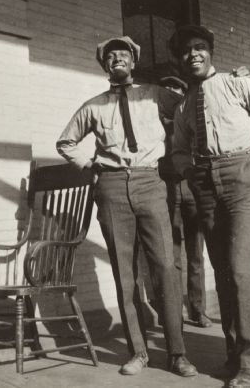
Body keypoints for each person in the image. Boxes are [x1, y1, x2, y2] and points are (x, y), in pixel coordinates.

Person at [56, 36, 197, 377]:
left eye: (124, 54)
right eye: (110, 56)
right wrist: (89, 166)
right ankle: (138, 352)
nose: (117, 59)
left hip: (151, 183)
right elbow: (66, 142)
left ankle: (177, 353)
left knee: (165, 266)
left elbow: (191, 108)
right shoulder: (93, 106)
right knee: (125, 272)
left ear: (133, 62)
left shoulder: (156, 94)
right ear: (105, 65)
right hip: (112, 186)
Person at [170, 25, 250, 388]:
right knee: (221, 274)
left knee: (240, 271)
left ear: (210, 52)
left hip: (240, 177)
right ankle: (234, 355)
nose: (194, 55)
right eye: (187, 50)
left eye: (200, 47)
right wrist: (190, 172)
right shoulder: (185, 103)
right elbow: (177, 149)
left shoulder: (240, 84)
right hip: (204, 182)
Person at [158, 75, 212, 329]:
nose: (171, 93)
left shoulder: (189, 118)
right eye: (166, 90)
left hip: (190, 187)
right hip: (166, 188)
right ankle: (173, 312)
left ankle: (198, 310)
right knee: (171, 256)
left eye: (176, 90)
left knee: (195, 255)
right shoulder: (153, 122)